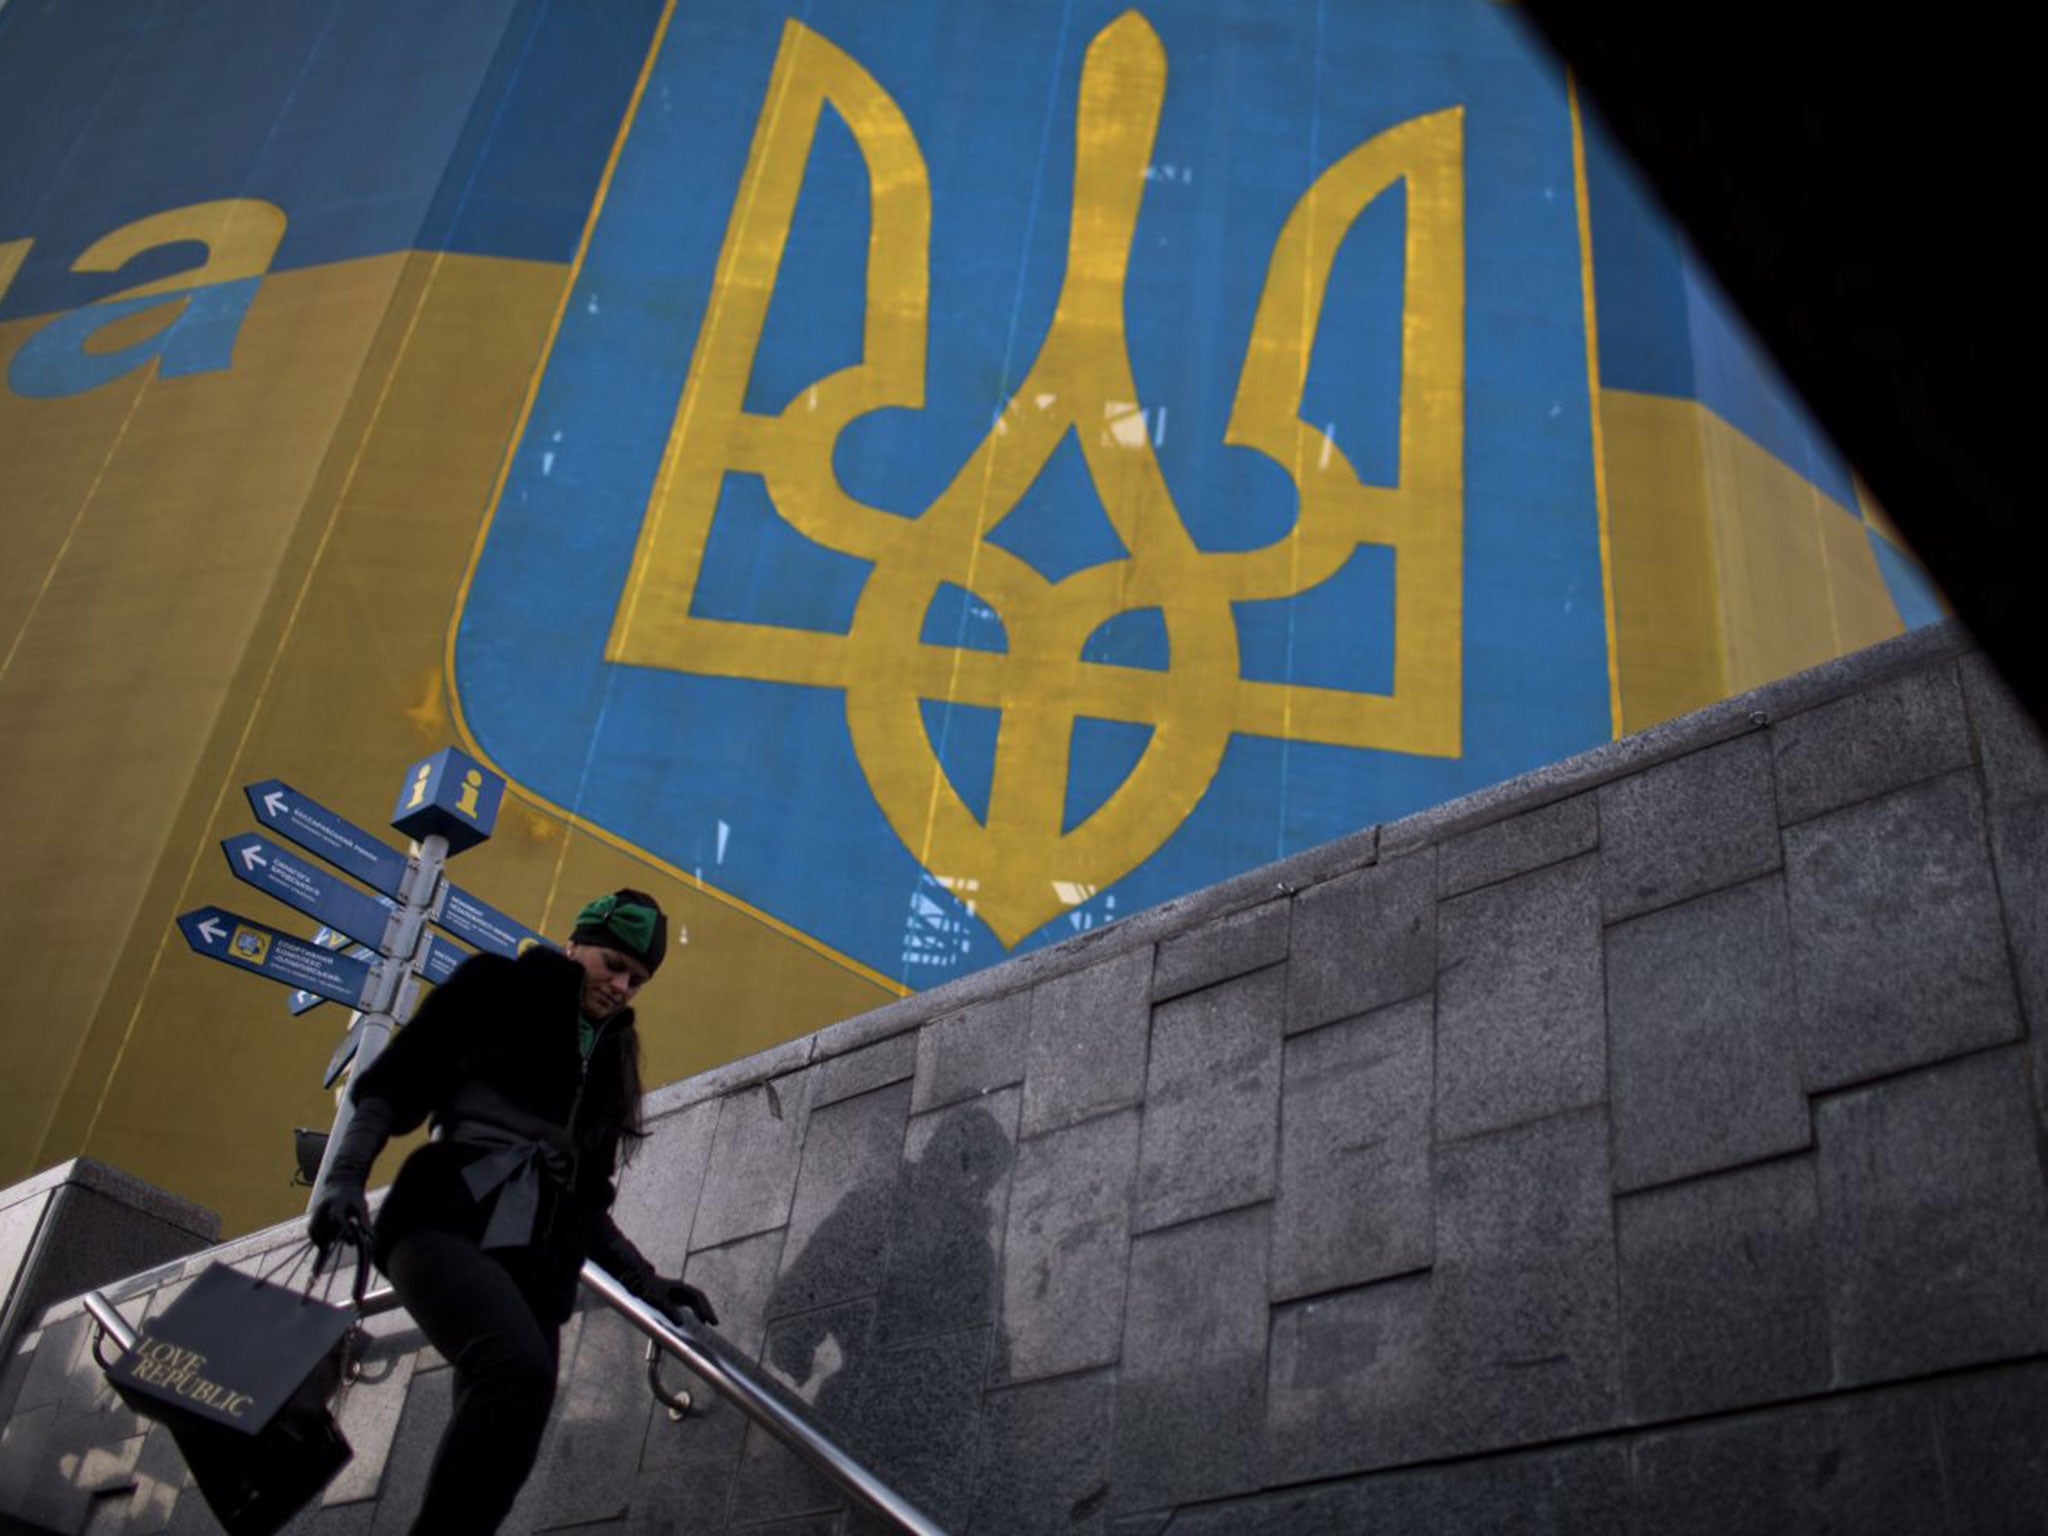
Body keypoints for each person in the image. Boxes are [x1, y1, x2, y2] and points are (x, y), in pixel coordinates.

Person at [308, 888, 716, 1536]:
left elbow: (586, 1203)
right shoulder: (494, 985)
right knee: (517, 1371)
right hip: (442, 1220)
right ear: (575, 943)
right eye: (612, 963)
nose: (622, 985)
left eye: (637, 979)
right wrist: (344, 1180)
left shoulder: (612, 1059)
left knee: (507, 1447)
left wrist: (650, 1285)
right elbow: (390, 1088)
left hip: (535, 1266)